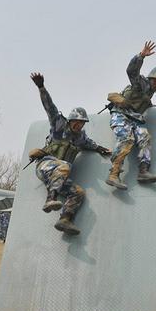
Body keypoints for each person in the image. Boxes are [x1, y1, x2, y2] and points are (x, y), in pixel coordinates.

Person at [30, 71, 111, 236]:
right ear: (71, 120)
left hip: (60, 176)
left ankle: (65, 219)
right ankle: (50, 198)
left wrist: (101, 149)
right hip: (46, 166)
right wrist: (41, 87)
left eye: (82, 123)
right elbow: (49, 106)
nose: (79, 126)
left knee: (78, 192)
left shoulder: (80, 138)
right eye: (77, 122)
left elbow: (90, 144)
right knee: (65, 165)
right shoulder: (59, 125)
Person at [106, 40, 156, 190]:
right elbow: (131, 71)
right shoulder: (141, 83)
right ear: (151, 78)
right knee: (127, 139)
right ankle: (113, 174)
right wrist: (141, 56)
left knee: (145, 136)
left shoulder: (150, 92)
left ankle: (143, 171)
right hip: (121, 115)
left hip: (134, 119)